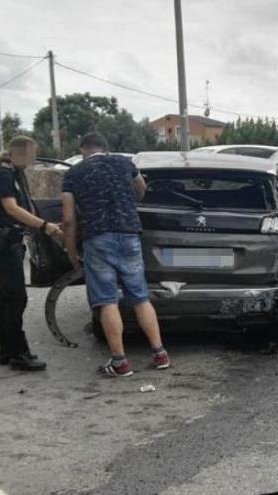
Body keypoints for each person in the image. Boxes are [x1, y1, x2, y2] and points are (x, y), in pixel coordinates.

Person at [62, 132, 170, 377]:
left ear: (83, 150)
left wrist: (70, 252)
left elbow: (68, 220)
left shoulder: (73, 174)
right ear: (105, 147)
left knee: (107, 301)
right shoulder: (125, 163)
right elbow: (141, 189)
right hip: (129, 234)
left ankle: (120, 362)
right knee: (140, 296)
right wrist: (127, 201)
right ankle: (160, 353)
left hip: (98, 239)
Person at [0, 136, 60, 371]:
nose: (35, 158)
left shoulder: (12, 173)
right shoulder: (1, 174)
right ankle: (19, 353)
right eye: (33, 153)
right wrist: (44, 226)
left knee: (7, 296)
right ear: (22, 151)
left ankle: (6, 350)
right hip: (1, 242)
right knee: (16, 297)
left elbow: (23, 205)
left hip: (6, 242)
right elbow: (11, 208)